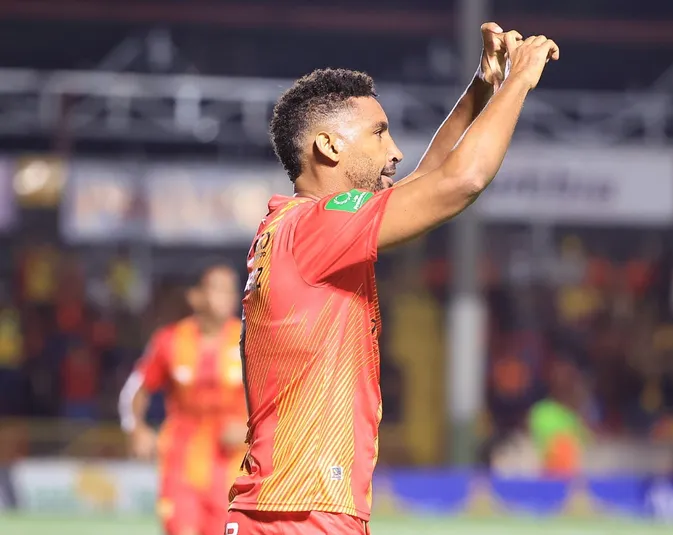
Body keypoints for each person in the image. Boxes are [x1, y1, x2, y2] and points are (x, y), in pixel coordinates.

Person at [226, 23, 559, 535]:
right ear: (329, 145)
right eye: (379, 133)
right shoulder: (317, 227)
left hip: (291, 507)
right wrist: (520, 81)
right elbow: (460, 181)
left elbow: (427, 181)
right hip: (300, 511)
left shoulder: (300, 228)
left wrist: (483, 86)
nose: (396, 151)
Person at [119, 262, 247, 535]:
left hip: (232, 468)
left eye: (230, 290)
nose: (226, 297)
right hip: (181, 466)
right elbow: (135, 390)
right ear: (196, 296)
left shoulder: (250, 341)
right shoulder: (170, 341)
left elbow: (278, 398)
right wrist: (136, 428)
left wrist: (250, 429)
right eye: (218, 289)